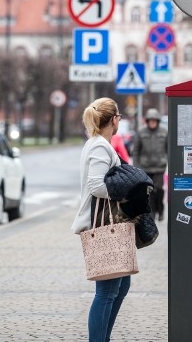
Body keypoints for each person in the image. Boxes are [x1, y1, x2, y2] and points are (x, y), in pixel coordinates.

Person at [72, 97, 131, 342]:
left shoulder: (101, 143)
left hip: (112, 223)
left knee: (121, 286)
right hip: (104, 225)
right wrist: (125, 192)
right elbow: (96, 185)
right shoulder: (98, 146)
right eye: (119, 117)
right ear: (114, 119)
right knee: (107, 291)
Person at [131, 108, 168, 222]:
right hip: (145, 167)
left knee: (159, 189)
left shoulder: (164, 132)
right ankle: (152, 213)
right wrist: (137, 166)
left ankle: (160, 209)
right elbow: (135, 151)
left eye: (154, 120)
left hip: (159, 167)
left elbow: (169, 149)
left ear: (157, 120)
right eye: (150, 120)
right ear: (147, 121)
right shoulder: (141, 132)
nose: (152, 122)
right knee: (149, 191)